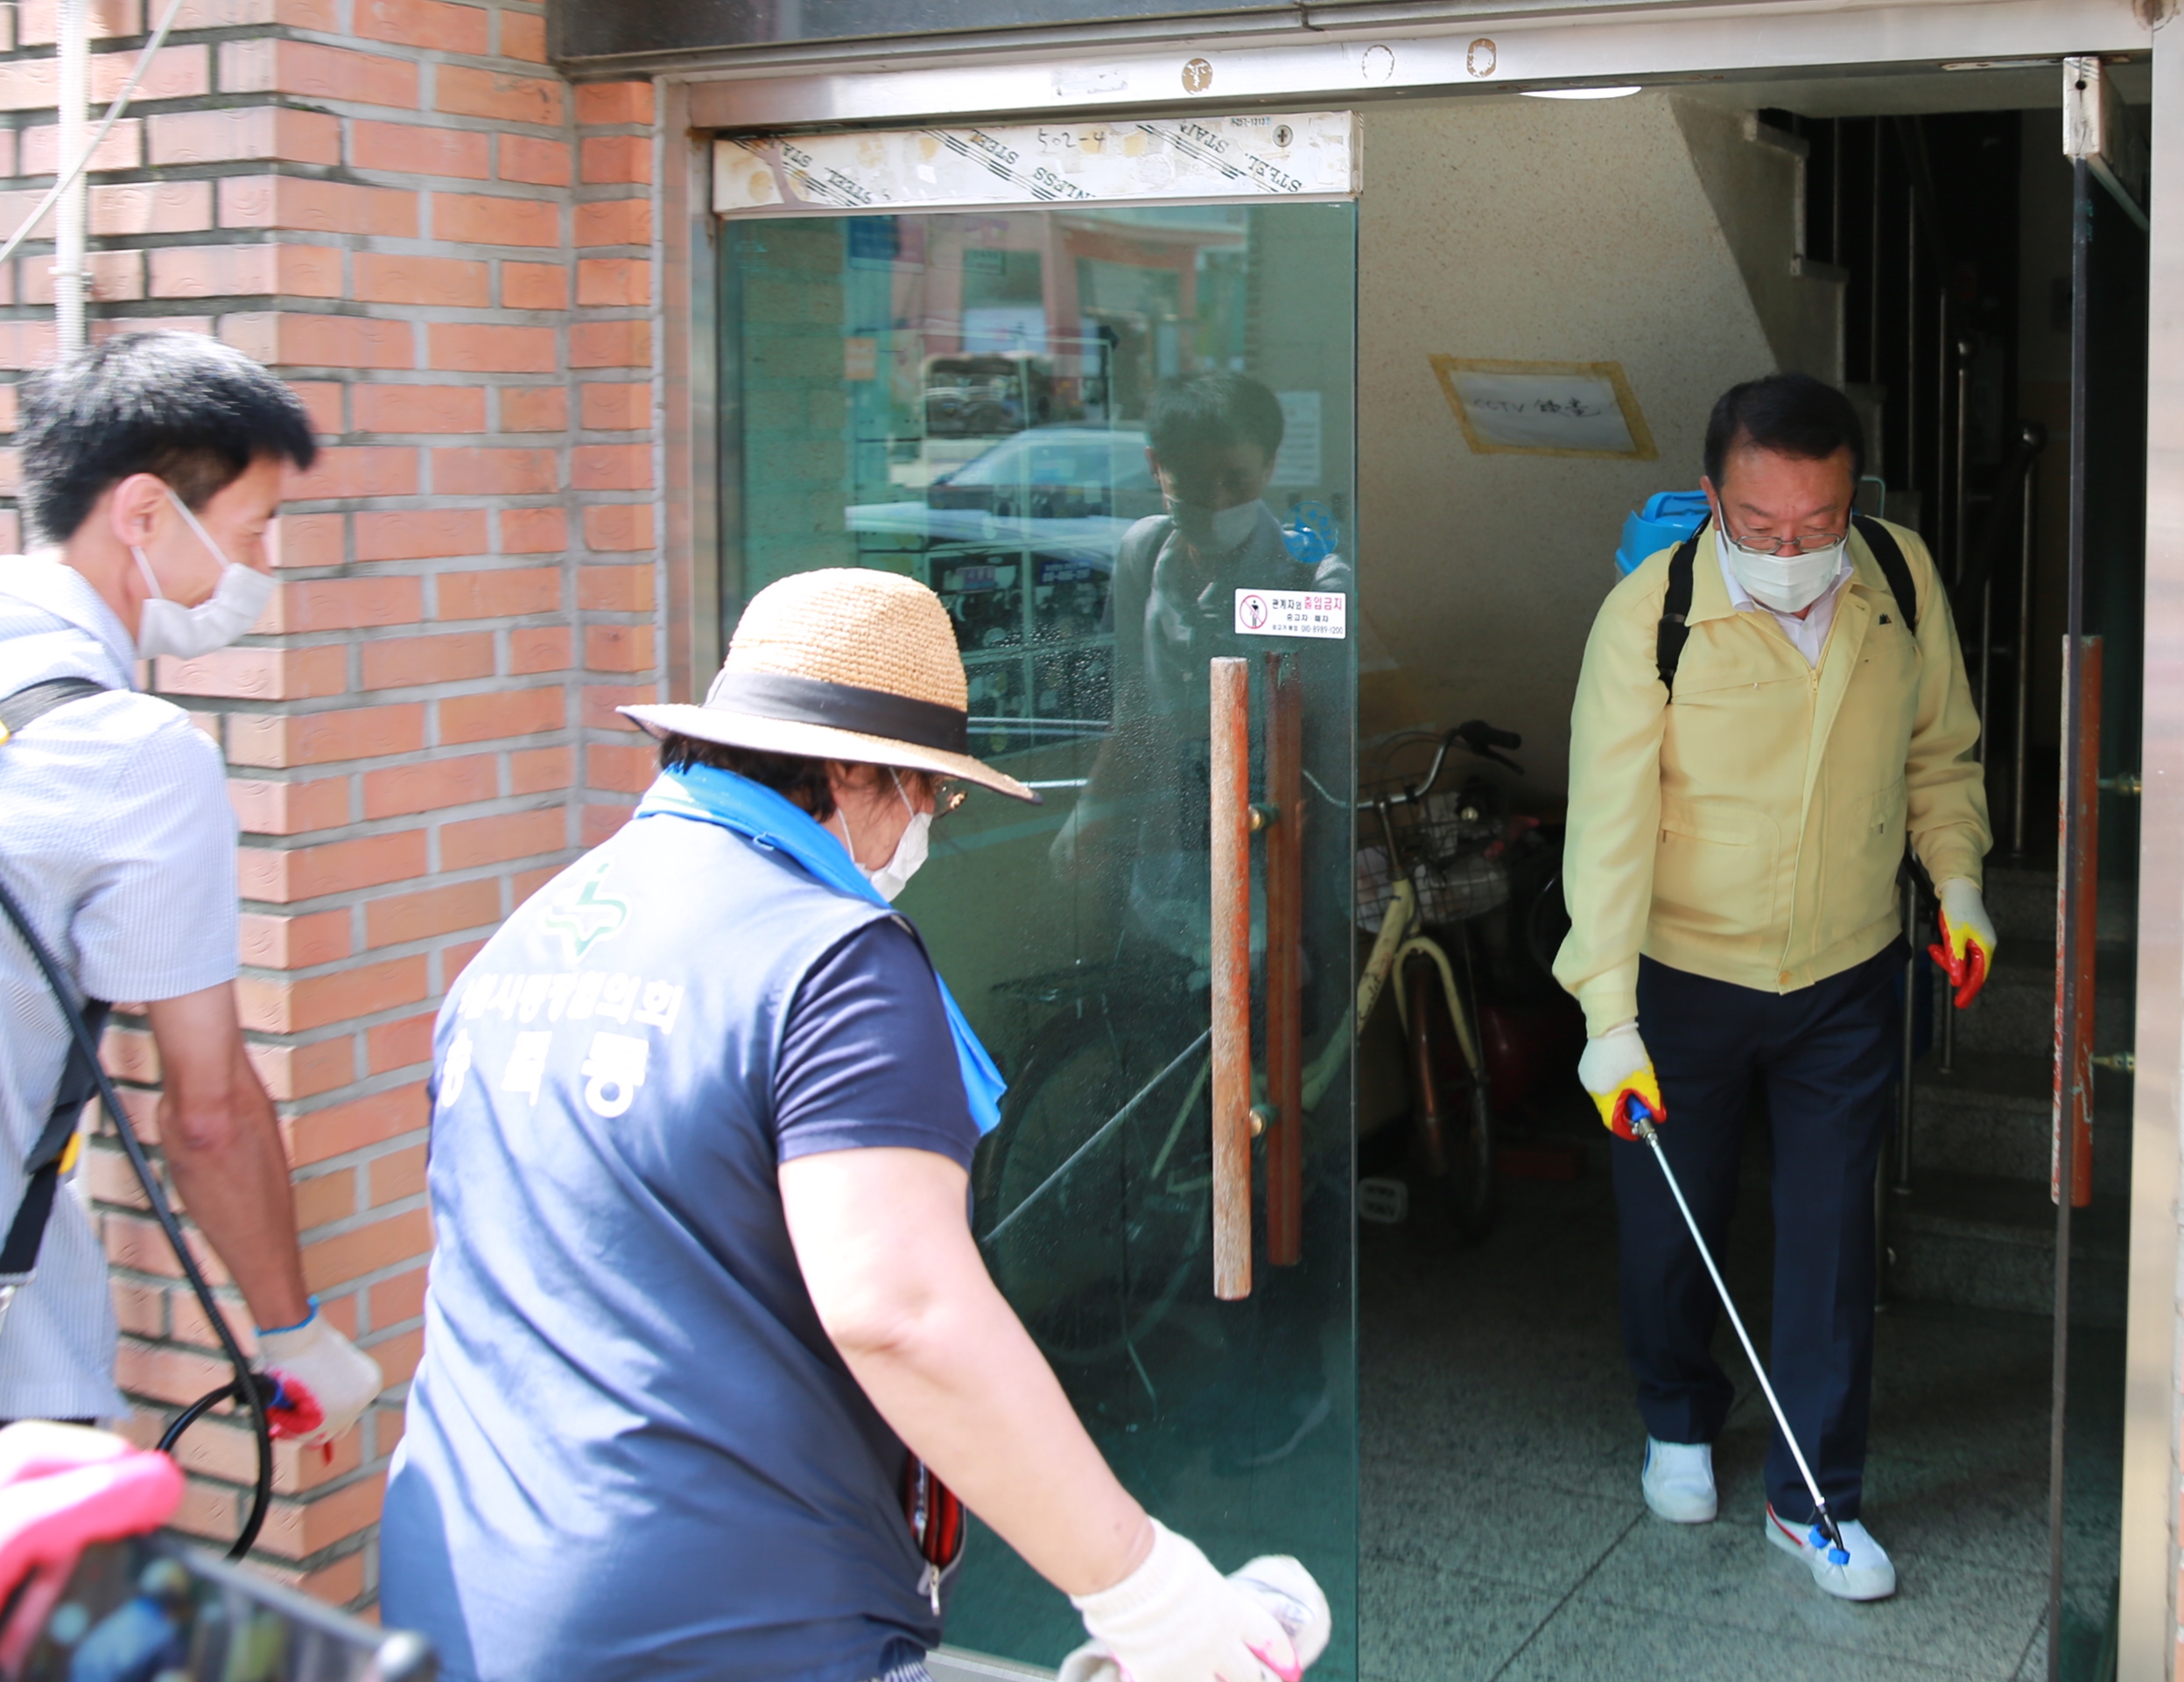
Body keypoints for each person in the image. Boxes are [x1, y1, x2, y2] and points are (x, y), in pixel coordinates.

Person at [381, 567, 1326, 1682]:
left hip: (457, 1584)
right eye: (927, 791)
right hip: (723, 1621)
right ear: (846, 768)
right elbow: (903, 1310)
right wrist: (1147, 1590)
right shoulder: (830, 962)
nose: (923, 825)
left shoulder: (532, 938)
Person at [1555, 373, 1995, 1601]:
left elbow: (1937, 750)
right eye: (1760, 524)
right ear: (1712, 498)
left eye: (1819, 521)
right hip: (1681, 980)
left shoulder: (1896, 581)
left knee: (1828, 1241)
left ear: (1853, 498)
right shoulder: (1646, 618)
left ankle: (1813, 1500)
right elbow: (1604, 832)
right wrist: (1605, 1013)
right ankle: (1677, 1417)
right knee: (1665, 1223)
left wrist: (1953, 883)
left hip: (1845, 976)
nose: (1793, 549)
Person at [0, 333, 382, 1441]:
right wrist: (294, 1337)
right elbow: (208, 1115)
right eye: (255, 526)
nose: (263, 562)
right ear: (143, 513)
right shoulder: (128, 750)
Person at [1052, 370, 1347, 957]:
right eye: (1189, 479)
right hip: (1168, 857)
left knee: (1268, 1030)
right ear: (1155, 464)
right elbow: (1134, 701)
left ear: (1269, 467)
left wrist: (1301, 906)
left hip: (1274, 859)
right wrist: (1094, 811)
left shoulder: (1311, 578)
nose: (1214, 501)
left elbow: (1324, 740)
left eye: (1234, 479)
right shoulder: (1143, 553)